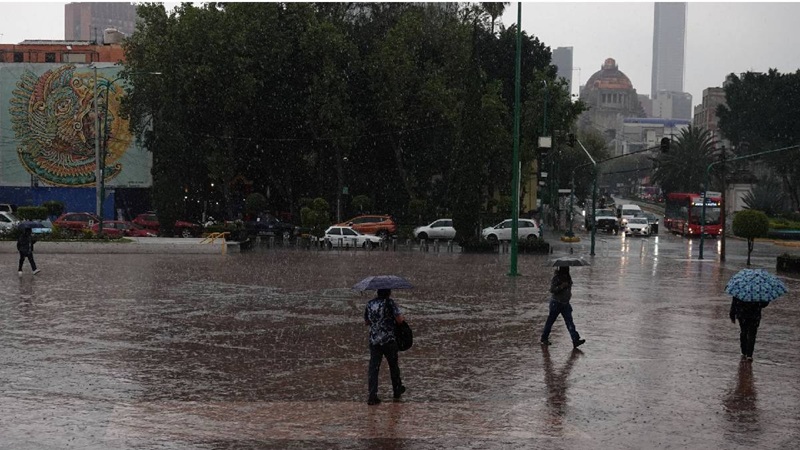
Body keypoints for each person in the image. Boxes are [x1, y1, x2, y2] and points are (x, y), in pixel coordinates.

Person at [364, 288, 406, 405]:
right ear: (388, 293)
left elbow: (367, 322)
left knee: (374, 369)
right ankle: (396, 390)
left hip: (374, 341)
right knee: (393, 366)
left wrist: (376, 322)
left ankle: (372, 396)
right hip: (389, 340)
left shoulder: (370, 304)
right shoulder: (390, 302)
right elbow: (399, 320)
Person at [540, 266, 585, 348]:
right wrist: (561, 286)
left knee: (569, 322)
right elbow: (552, 290)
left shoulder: (568, 277)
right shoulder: (556, 278)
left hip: (566, 304)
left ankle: (575, 339)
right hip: (556, 303)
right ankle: (544, 338)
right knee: (550, 321)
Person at [730, 296, 769, 361]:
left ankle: (744, 351)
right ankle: (749, 354)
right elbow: (764, 304)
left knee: (744, 331)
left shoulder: (740, 289)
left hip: (742, 315)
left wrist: (732, 315)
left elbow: (734, 303)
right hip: (755, 315)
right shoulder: (758, 291)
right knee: (752, 334)